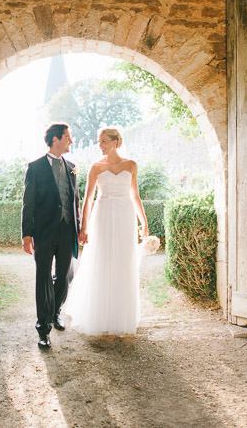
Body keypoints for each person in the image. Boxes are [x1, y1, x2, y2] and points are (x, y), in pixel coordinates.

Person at [64, 127, 150, 337]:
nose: (99, 145)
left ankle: (120, 316)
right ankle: (98, 314)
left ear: (115, 142)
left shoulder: (131, 165)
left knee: (123, 261)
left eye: (103, 141)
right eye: (98, 141)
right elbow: (88, 199)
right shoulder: (96, 167)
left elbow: (135, 196)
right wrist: (83, 227)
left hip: (124, 216)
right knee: (101, 259)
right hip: (101, 215)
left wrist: (144, 223)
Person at [21, 123, 81, 349]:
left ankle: (55, 311)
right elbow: (28, 203)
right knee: (43, 278)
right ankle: (43, 328)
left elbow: (75, 201)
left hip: (68, 231)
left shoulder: (72, 167)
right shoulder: (35, 167)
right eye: (68, 137)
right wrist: (27, 234)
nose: (71, 141)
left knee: (66, 275)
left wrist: (80, 228)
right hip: (44, 233)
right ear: (56, 139)